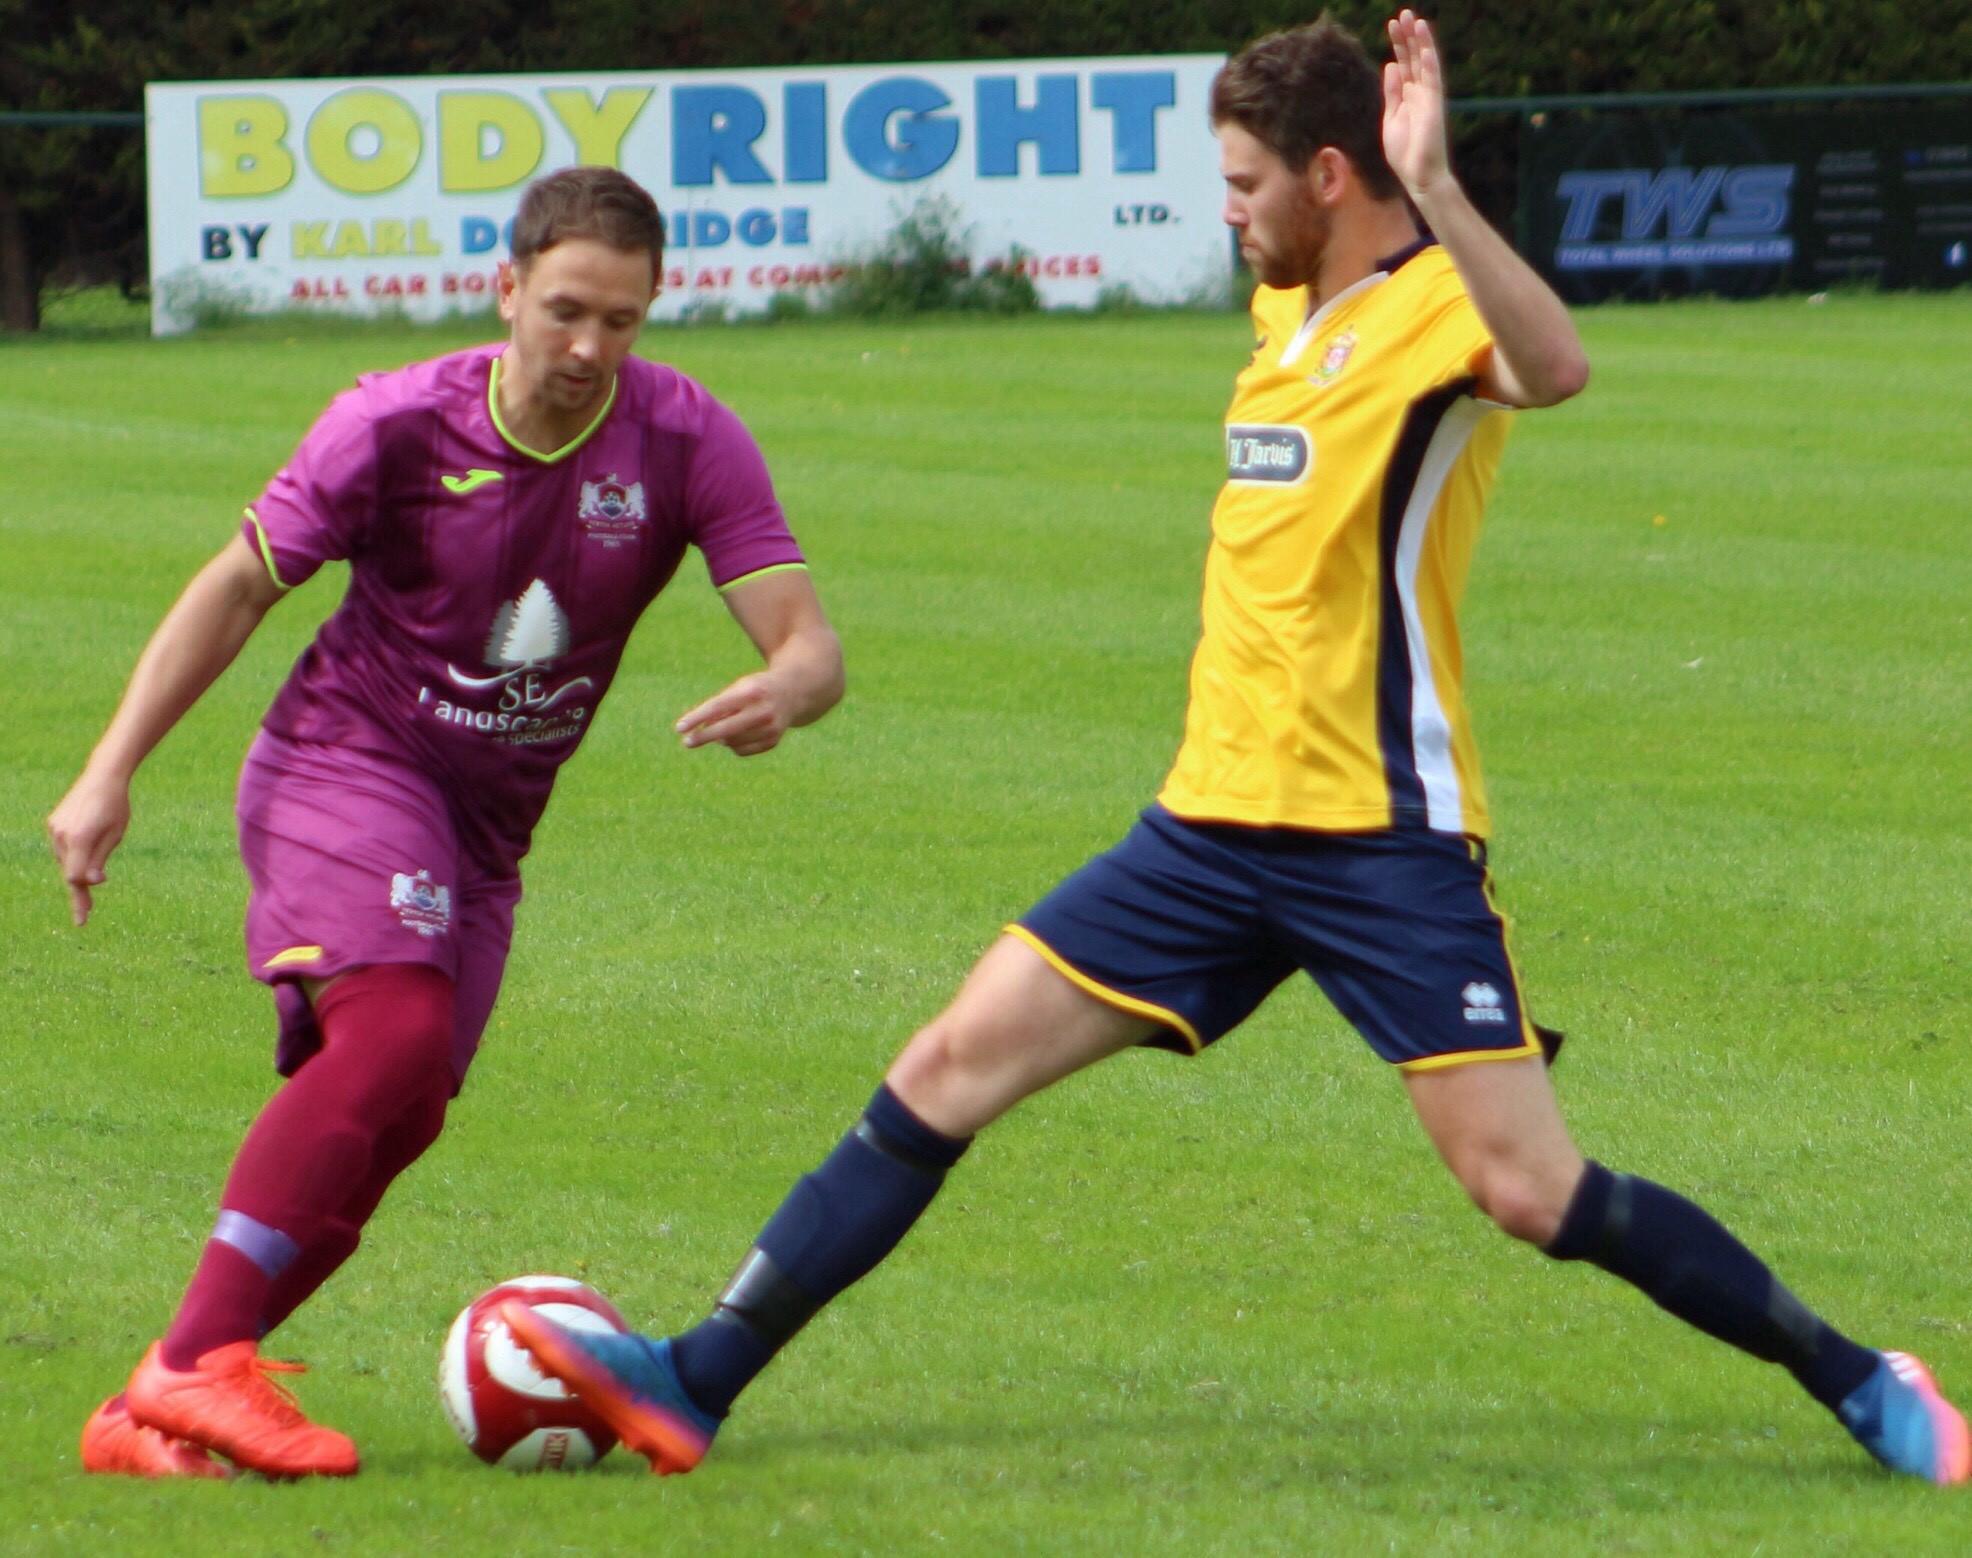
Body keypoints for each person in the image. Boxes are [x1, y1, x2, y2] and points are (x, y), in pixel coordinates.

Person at [502, 14, 1969, 1487]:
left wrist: (1444, 188)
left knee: (1527, 1186)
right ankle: (697, 1375)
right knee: (946, 1065)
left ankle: (1857, 1375)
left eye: (1246, 180)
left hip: (1380, 836)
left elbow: (1561, 366)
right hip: (1204, 830)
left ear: (1332, 174)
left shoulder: (1437, 309)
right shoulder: (1283, 313)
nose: (1228, 207)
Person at [48, 166, 844, 1480]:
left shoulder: (686, 437)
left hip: (489, 831)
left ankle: (148, 1413)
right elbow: (238, 586)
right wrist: (109, 768)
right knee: (398, 1022)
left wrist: (794, 689)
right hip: (344, 760)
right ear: (508, 288)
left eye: (623, 321)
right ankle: (195, 1361)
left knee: (408, 1104)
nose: (591, 348)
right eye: (567, 311)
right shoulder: (395, 424)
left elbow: (808, 641)